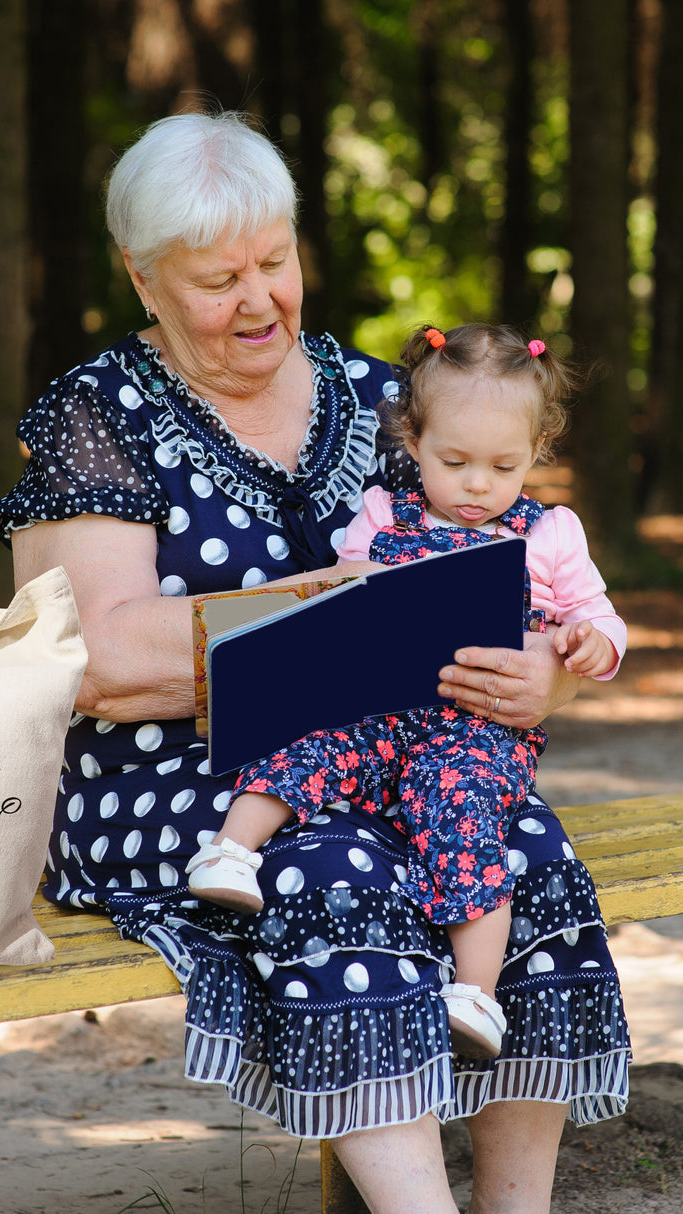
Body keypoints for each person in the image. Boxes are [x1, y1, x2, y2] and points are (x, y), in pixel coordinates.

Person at [0, 111, 630, 1214]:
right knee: (338, 869)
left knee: (525, 847)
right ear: (143, 280)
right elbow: (94, 656)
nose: (257, 299)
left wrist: (549, 676)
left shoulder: (382, 395)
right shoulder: (96, 414)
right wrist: (310, 612)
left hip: (390, 747)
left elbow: (512, 575)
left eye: (273, 261)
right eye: (216, 278)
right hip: (169, 774)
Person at [184, 322, 627, 1062]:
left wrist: (587, 648)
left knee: (466, 817)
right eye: (454, 462)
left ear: (537, 454)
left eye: (503, 465)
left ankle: (476, 991)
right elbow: (341, 596)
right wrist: (360, 589)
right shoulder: (384, 514)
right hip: (381, 704)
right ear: (413, 441)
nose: (478, 485)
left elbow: (601, 619)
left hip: (477, 732)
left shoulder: (551, 533)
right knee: (309, 739)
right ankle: (231, 850)